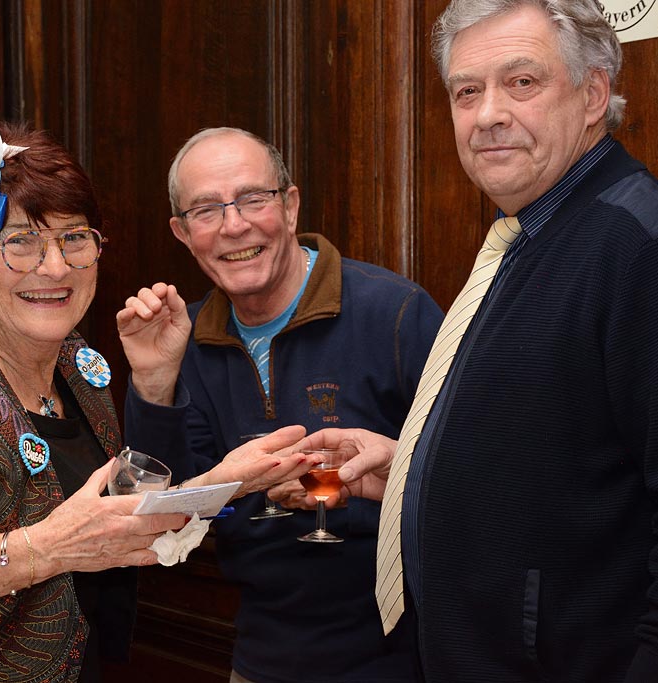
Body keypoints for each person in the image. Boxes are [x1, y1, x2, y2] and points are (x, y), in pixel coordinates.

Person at [299, 1, 658, 680]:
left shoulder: (654, 248)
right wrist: (418, 470)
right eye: (466, 91)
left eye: (522, 82)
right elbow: (558, 442)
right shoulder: (530, 237)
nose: (488, 113)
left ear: (592, 95)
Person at [0, 122, 320, 683]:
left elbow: (108, 527)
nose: (55, 267)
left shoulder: (73, 366)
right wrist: (49, 547)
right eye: (20, 241)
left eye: (74, 238)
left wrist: (219, 469)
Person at [117, 127, 443, 683]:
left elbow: (476, 483)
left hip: (400, 655)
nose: (234, 225)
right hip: (263, 655)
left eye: (252, 198)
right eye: (206, 210)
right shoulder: (182, 338)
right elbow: (160, 514)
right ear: (182, 233)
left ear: (289, 207)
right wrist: (153, 382)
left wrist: (369, 493)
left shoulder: (395, 313)